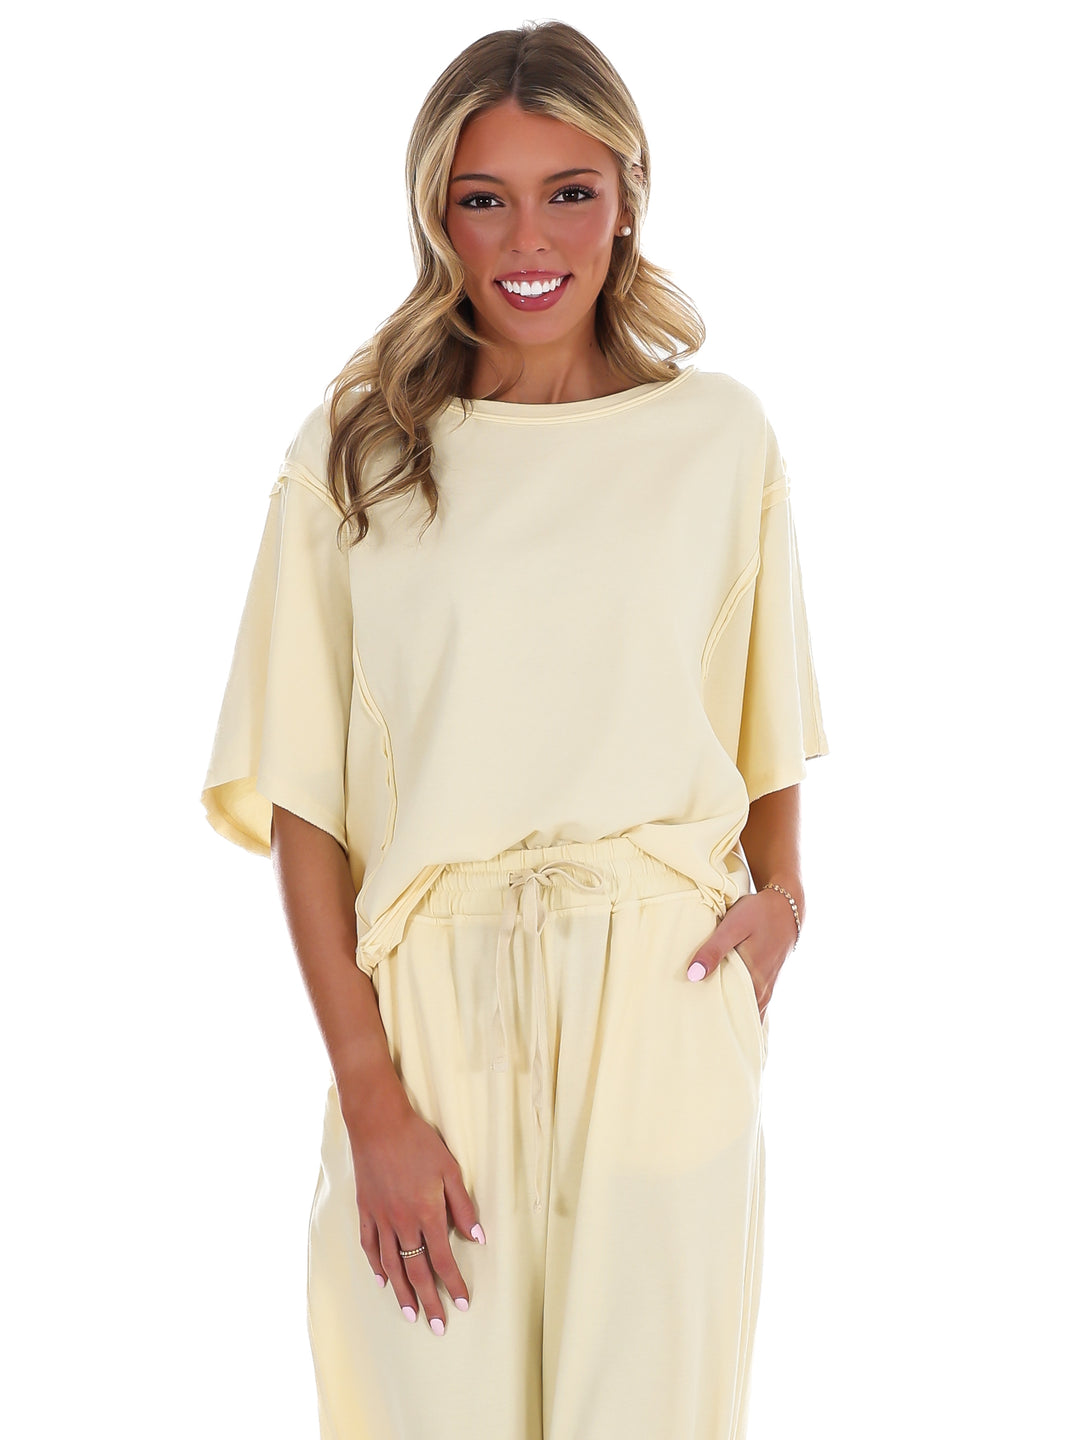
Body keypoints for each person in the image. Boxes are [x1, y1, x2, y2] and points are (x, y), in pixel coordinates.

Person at [200, 19, 829, 1440]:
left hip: (663, 1000)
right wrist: (371, 1095)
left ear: (629, 199)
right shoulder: (359, 450)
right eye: (485, 196)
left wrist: (784, 907)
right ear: (438, 211)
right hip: (432, 1018)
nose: (529, 238)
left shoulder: (721, 439)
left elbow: (764, 729)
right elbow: (306, 807)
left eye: (570, 191)